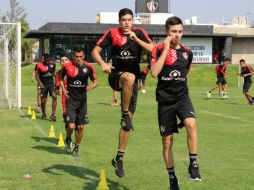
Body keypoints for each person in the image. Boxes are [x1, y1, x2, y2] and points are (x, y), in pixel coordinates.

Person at [92, 8, 154, 177]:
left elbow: (153, 50)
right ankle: (125, 113)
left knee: (127, 125)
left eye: (129, 20)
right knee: (129, 77)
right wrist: (103, 64)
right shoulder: (112, 33)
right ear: (119, 21)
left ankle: (119, 157)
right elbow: (94, 51)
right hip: (116, 76)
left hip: (132, 83)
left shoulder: (139, 33)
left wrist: (136, 40)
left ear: (133, 20)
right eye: (123, 20)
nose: (127, 23)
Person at [150, 16, 201, 190]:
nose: (177, 35)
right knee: (167, 142)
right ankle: (172, 177)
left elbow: (187, 70)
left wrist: (181, 82)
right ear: (167, 32)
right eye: (173, 32)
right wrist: (165, 50)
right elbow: (154, 73)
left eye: (179, 31)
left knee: (191, 124)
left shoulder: (187, 52)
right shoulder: (157, 50)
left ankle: (193, 164)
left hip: (182, 98)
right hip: (165, 101)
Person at [60, 47, 97, 157]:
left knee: (80, 127)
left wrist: (92, 86)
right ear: (73, 56)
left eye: (81, 57)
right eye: (76, 57)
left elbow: (95, 81)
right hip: (71, 100)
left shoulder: (89, 67)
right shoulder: (67, 66)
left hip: (82, 101)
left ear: (84, 56)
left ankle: (76, 147)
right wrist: (64, 90)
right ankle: (68, 139)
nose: (79, 59)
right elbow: (60, 78)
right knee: (71, 126)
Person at [36, 54, 57, 121]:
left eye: (49, 60)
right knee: (43, 100)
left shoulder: (53, 65)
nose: (48, 61)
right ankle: (43, 114)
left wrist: (57, 81)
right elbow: (37, 76)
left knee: (55, 96)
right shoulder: (39, 65)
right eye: (46, 60)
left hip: (51, 84)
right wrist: (40, 83)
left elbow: (54, 73)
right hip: (43, 85)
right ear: (44, 59)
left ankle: (53, 114)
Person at [55, 54, 70, 127]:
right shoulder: (58, 73)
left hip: (75, 93)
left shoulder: (75, 69)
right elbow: (57, 86)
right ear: (60, 63)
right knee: (65, 112)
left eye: (65, 60)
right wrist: (58, 91)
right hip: (65, 93)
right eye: (62, 60)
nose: (64, 61)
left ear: (69, 61)